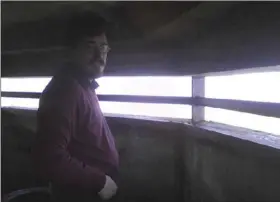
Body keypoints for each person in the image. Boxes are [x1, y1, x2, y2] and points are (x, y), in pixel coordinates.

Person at [33, 12, 119, 202]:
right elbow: (50, 158)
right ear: (70, 51)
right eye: (90, 46)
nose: (100, 56)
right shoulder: (65, 90)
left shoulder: (83, 86)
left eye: (103, 48)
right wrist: (100, 181)